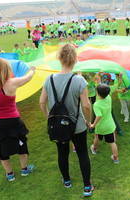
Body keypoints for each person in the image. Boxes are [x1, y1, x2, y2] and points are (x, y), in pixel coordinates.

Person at [39, 44, 94, 197]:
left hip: (58, 127)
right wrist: (88, 122)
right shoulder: (79, 80)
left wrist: (49, 118)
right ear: (75, 59)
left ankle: (67, 181)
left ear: (59, 58)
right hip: (78, 126)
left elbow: (42, 102)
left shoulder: (48, 79)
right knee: (82, 154)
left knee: (62, 154)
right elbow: (86, 105)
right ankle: (87, 187)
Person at [0, 58, 36, 182]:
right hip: (13, 121)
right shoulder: (12, 83)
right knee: (21, 145)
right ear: (7, 70)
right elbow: (28, 78)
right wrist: (32, 70)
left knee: (1, 149)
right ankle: (24, 170)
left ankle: (10, 174)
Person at [89, 84, 119, 164]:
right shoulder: (109, 98)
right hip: (110, 125)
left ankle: (94, 149)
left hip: (101, 127)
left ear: (98, 93)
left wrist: (93, 125)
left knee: (97, 138)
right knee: (112, 142)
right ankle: (115, 158)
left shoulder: (96, 104)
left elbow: (98, 116)